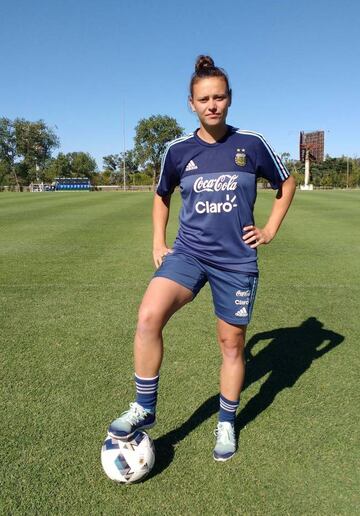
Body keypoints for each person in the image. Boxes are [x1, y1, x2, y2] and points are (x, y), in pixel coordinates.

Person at [108, 55, 296, 461]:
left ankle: (226, 421)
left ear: (230, 99)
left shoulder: (251, 143)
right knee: (147, 316)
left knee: (232, 345)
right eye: (203, 98)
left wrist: (269, 230)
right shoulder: (177, 150)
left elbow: (287, 182)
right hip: (189, 252)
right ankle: (144, 406)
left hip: (236, 261)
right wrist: (158, 242)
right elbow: (161, 195)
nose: (212, 104)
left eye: (219, 97)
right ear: (190, 103)